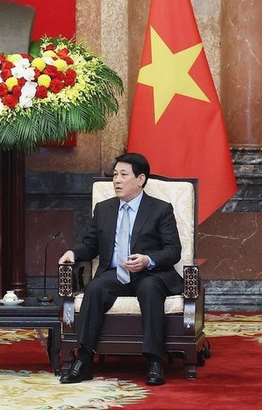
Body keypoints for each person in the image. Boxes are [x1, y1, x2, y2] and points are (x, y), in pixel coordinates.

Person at [58, 152, 182, 386]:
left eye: (123, 175)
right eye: (115, 175)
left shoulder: (160, 209)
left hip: (149, 273)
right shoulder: (104, 209)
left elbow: (173, 250)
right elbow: (90, 244)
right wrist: (73, 253)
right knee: (94, 288)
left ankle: (154, 362)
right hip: (115, 274)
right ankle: (83, 361)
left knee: (150, 288)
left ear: (141, 179)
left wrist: (147, 259)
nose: (117, 180)